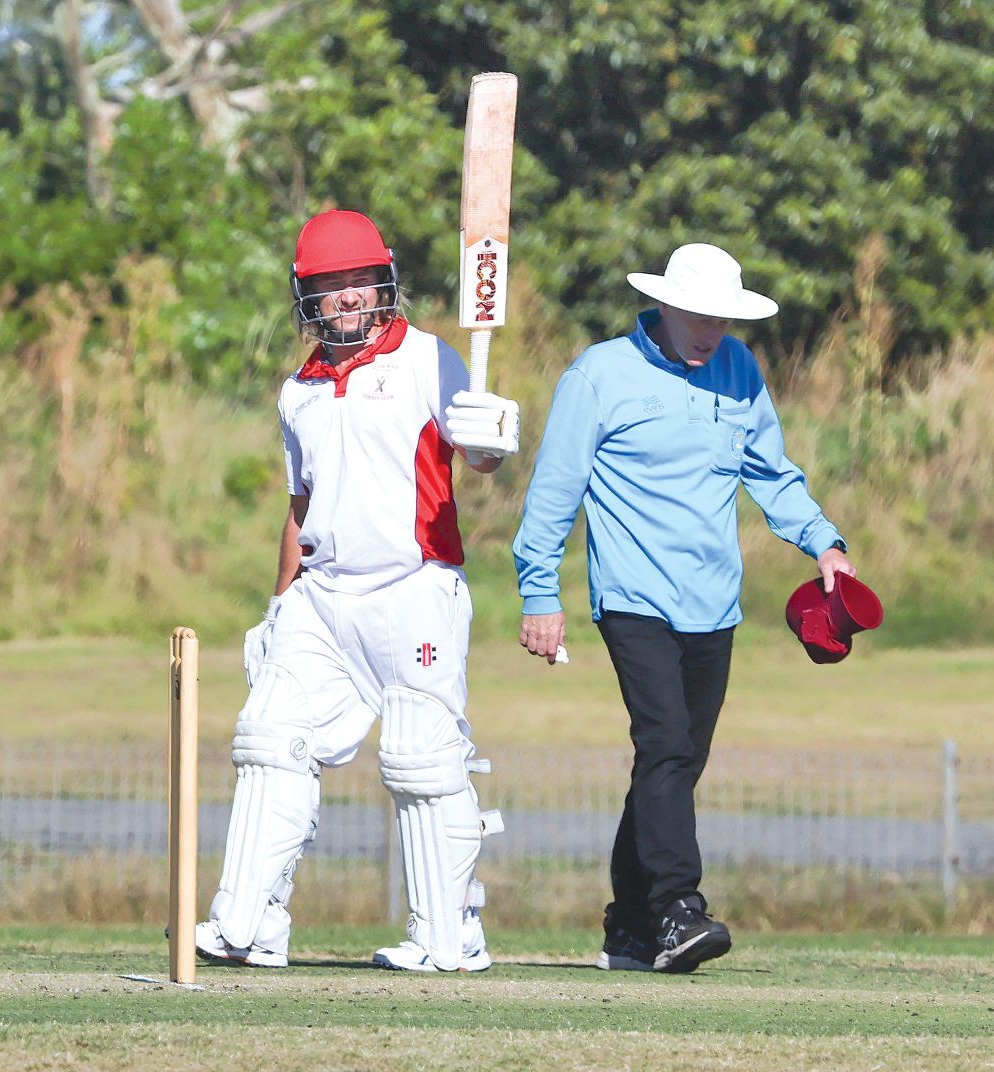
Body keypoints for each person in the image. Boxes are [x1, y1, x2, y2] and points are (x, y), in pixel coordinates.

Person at [512, 243, 855, 974]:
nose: (709, 331)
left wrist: (825, 545)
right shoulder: (599, 375)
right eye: (698, 315)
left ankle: (629, 928)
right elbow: (554, 491)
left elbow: (773, 474)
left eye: (722, 319)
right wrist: (539, 593)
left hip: (714, 603)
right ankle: (678, 909)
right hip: (632, 597)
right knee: (665, 747)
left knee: (673, 765)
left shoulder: (739, 370)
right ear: (663, 305)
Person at [195, 209, 519, 973]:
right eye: (330, 284)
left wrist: (491, 441)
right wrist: (279, 605)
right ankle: (250, 924)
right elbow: (299, 506)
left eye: (360, 281)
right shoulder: (297, 391)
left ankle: (449, 935)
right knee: (269, 738)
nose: (347, 296)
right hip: (322, 597)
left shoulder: (430, 358)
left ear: (384, 284)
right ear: (306, 295)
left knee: (421, 759)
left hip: (415, 588)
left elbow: (478, 460)